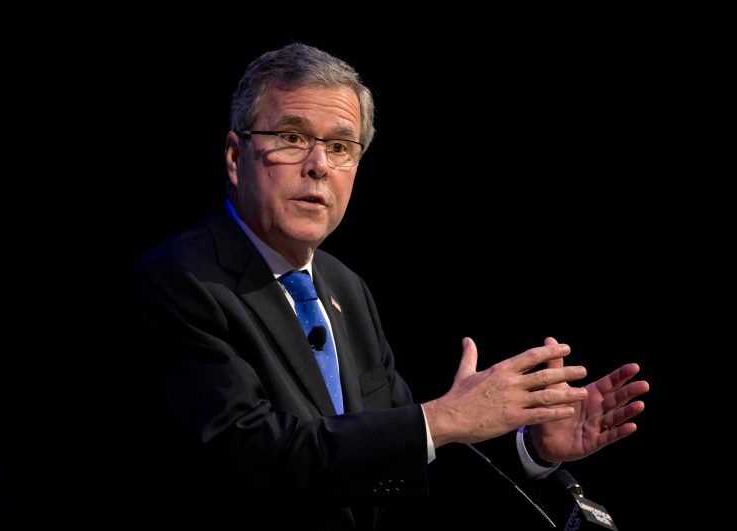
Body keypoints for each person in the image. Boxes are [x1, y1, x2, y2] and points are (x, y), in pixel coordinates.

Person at [106, 42, 649, 530]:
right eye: (292, 138)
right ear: (234, 156)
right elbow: (255, 459)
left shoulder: (346, 289)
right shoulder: (177, 282)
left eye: (341, 146)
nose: (318, 165)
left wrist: (530, 447)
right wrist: (443, 417)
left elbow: (398, 466)